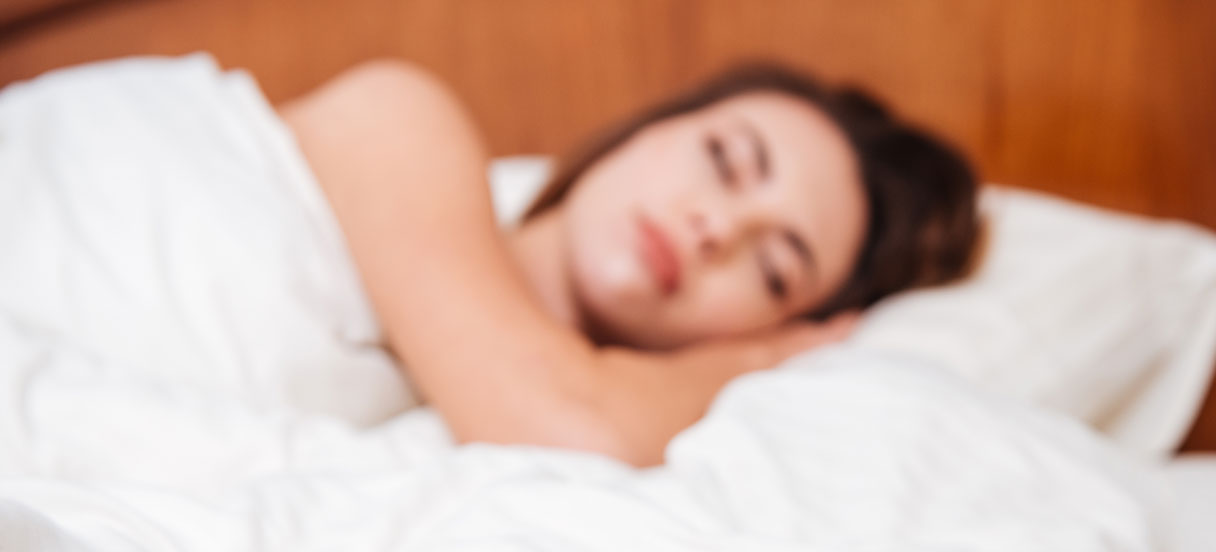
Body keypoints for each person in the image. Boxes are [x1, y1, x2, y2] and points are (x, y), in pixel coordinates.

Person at [278, 59, 979, 466]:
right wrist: (766, 354)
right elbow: (566, 421)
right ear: (649, 127)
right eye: (724, 159)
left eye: (772, 270)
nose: (717, 228)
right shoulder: (400, 117)